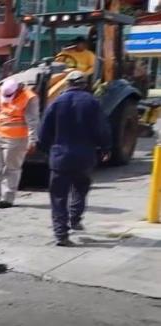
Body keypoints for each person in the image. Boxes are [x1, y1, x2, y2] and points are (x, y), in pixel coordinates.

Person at [36, 70, 111, 247]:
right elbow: (102, 128)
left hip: (60, 157)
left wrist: (45, 149)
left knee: (58, 197)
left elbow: (43, 131)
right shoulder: (92, 102)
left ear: (67, 84)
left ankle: (61, 235)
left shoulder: (56, 103)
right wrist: (106, 148)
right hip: (84, 157)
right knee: (80, 188)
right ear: (84, 84)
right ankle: (75, 218)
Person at [0, 78, 39, 208]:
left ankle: (7, 198)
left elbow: (33, 121)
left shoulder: (29, 98)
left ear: (17, 90)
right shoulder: (2, 91)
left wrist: (32, 140)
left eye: (9, 95)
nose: (7, 97)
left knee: (11, 169)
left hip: (17, 138)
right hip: (0, 135)